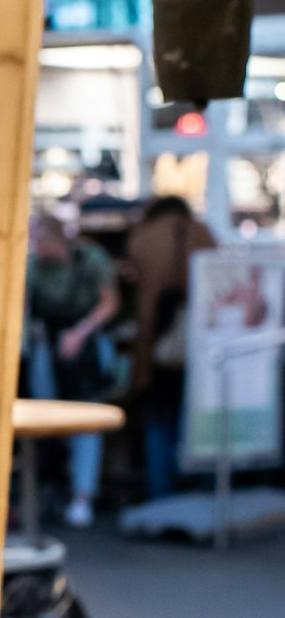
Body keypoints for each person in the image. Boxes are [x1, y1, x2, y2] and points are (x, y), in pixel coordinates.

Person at [24, 207, 120, 526]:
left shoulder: (88, 259)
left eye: (40, 240)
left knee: (87, 416)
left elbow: (110, 301)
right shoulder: (33, 267)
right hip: (47, 344)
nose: (36, 247)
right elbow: (22, 306)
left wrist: (80, 332)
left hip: (86, 341)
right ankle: (47, 490)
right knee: (43, 418)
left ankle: (83, 495)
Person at [124, 194, 214, 499]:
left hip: (155, 342)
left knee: (157, 418)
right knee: (200, 418)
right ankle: (203, 493)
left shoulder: (143, 237)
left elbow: (131, 281)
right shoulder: (202, 233)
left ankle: (160, 493)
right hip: (201, 343)